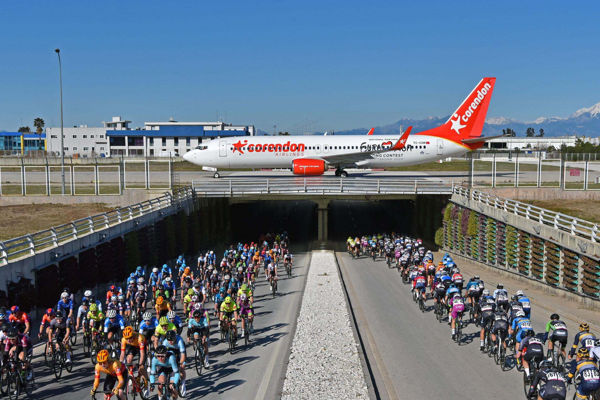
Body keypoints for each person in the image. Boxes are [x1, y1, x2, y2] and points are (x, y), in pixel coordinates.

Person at [120, 326, 149, 395]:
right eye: (127, 339)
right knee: (128, 359)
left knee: (141, 368)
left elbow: (142, 353)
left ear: (133, 335)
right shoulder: (124, 339)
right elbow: (122, 354)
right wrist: (120, 363)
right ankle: (131, 375)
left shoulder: (140, 338)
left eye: (130, 338)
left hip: (142, 347)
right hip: (133, 346)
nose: (128, 340)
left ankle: (146, 386)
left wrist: (140, 364)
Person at [163, 330, 187, 395]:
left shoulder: (179, 341)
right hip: (171, 351)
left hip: (179, 351)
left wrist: (179, 364)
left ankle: (183, 384)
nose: (170, 342)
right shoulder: (165, 342)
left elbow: (183, 356)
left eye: (172, 340)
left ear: (175, 338)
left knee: (181, 368)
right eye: (169, 340)